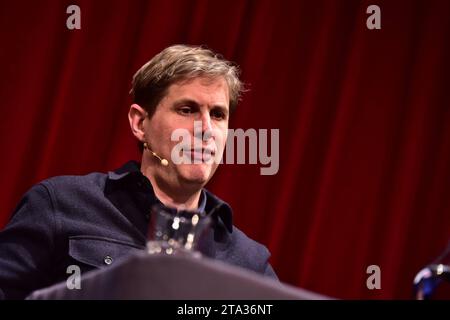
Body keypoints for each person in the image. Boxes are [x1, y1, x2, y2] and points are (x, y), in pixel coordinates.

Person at [0, 45, 277, 300]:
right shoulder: (61, 204)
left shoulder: (249, 261)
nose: (206, 129)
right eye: (187, 109)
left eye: (218, 115)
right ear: (140, 123)